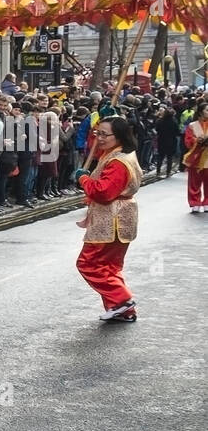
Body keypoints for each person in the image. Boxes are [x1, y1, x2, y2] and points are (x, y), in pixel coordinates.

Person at [74, 116, 141, 321]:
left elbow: (104, 192)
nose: (99, 138)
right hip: (118, 218)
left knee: (88, 263)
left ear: (118, 135)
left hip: (111, 220)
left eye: (104, 134)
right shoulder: (116, 154)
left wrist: (83, 179)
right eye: (98, 133)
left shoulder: (118, 161)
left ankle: (121, 300)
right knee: (110, 268)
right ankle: (123, 310)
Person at [181, 101, 208, 212]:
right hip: (196, 157)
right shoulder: (192, 126)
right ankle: (195, 202)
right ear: (201, 112)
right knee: (194, 182)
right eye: (207, 110)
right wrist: (197, 140)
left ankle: (206, 202)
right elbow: (188, 141)